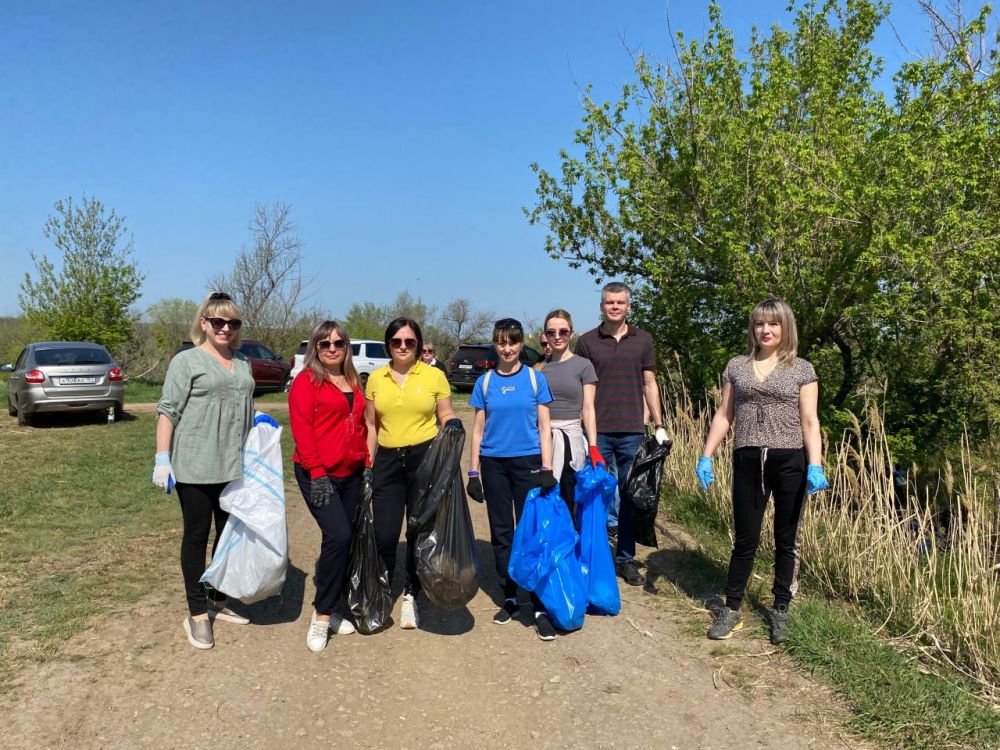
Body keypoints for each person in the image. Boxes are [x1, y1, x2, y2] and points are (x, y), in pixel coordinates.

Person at [697, 298, 830, 645]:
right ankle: (732, 609)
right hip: (748, 458)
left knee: (786, 540)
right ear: (752, 329)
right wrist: (706, 455)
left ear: (785, 328)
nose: (765, 330)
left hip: (790, 461)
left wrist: (815, 464)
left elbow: (810, 421)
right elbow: (725, 415)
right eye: (759, 324)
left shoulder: (802, 369)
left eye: (772, 324)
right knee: (745, 539)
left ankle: (781, 609)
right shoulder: (737, 367)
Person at [153, 292, 255, 650]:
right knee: (197, 537)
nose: (225, 328)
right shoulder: (187, 361)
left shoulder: (242, 363)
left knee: (228, 537)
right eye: (218, 322)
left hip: (233, 466)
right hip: (195, 466)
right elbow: (168, 410)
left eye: (233, 323)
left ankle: (219, 600)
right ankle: (197, 614)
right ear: (204, 323)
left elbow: (243, 409)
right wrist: (162, 457)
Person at [364, 318, 460, 630]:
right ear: (388, 344)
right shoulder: (376, 379)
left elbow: (444, 412)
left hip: (424, 458)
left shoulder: (433, 376)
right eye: (396, 342)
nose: (403, 347)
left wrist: (452, 423)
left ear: (418, 344)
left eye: (409, 342)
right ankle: (380, 592)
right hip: (388, 461)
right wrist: (368, 463)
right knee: (385, 533)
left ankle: (410, 595)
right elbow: (371, 425)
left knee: (419, 532)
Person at [467, 318, 558, 640]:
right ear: (495, 344)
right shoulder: (486, 382)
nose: (507, 348)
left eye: (513, 342)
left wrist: (547, 467)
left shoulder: (535, 380)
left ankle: (537, 603)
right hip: (494, 465)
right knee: (502, 533)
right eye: (502, 342)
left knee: (530, 532)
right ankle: (509, 597)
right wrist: (473, 472)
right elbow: (477, 431)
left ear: (522, 345)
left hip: (528, 464)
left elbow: (545, 427)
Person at [574, 282, 668, 587]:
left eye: (620, 302)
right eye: (609, 302)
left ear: (629, 306)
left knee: (629, 496)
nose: (615, 306)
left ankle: (625, 558)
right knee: (597, 496)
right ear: (602, 306)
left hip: (631, 431)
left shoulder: (643, 340)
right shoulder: (587, 342)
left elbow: (649, 383)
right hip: (596, 431)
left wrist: (659, 425)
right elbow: (580, 389)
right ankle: (595, 557)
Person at [289, 321, 370, 652]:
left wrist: (365, 463)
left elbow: (361, 426)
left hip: (350, 472)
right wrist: (318, 472)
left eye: (339, 343)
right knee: (339, 535)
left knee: (340, 541)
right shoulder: (306, 382)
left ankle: (334, 604)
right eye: (325, 344)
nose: (332, 348)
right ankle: (322, 615)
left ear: (346, 346)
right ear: (315, 348)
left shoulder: (352, 379)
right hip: (316, 474)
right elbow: (302, 430)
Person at [537, 309, 602, 518]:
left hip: (571, 443)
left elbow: (588, 408)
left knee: (568, 499)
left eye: (563, 332)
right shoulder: (538, 370)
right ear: (545, 335)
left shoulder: (583, 366)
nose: (557, 337)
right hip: (543, 441)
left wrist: (593, 446)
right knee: (545, 498)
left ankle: (570, 548)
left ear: (571, 334)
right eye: (551, 332)